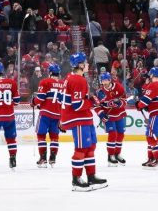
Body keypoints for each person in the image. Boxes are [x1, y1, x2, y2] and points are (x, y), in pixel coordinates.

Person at [59, 52, 107, 191]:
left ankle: (91, 176)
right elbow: (78, 105)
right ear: (80, 65)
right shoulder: (77, 80)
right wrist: (91, 101)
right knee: (81, 149)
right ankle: (76, 179)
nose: (87, 64)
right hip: (78, 119)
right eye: (85, 62)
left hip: (84, 118)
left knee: (90, 146)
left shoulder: (73, 78)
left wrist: (91, 98)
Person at [136, 66, 158, 168]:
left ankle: (157, 158)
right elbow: (157, 99)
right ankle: (151, 158)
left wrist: (139, 105)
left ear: (152, 75)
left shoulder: (154, 85)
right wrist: (147, 106)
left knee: (152, 136)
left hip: (157, 114)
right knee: (150, 134)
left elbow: (145, 100)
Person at [32, 63, 64, 168]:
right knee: (54, 137)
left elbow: (40, 98)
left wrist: (33, 102)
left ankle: (43, 159)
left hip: (45, 113)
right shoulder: (63, 84)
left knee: (41, 135)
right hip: (57, 115)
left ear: (50, 72)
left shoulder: (45, 81)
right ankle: (53, 159)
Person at [95, 72, 127, 166]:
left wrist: (119, 103)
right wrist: (101, 114)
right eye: (103, 80)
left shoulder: (119, 87)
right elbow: (96, 106)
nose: (104, 82)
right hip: (108, 116)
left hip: (119, 114)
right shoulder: (99, 92)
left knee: (120, 134)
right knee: (113, 134)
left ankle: (117, 154)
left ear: (109, 80)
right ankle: (110, 155)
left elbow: (124, 100)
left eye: (106, 80)